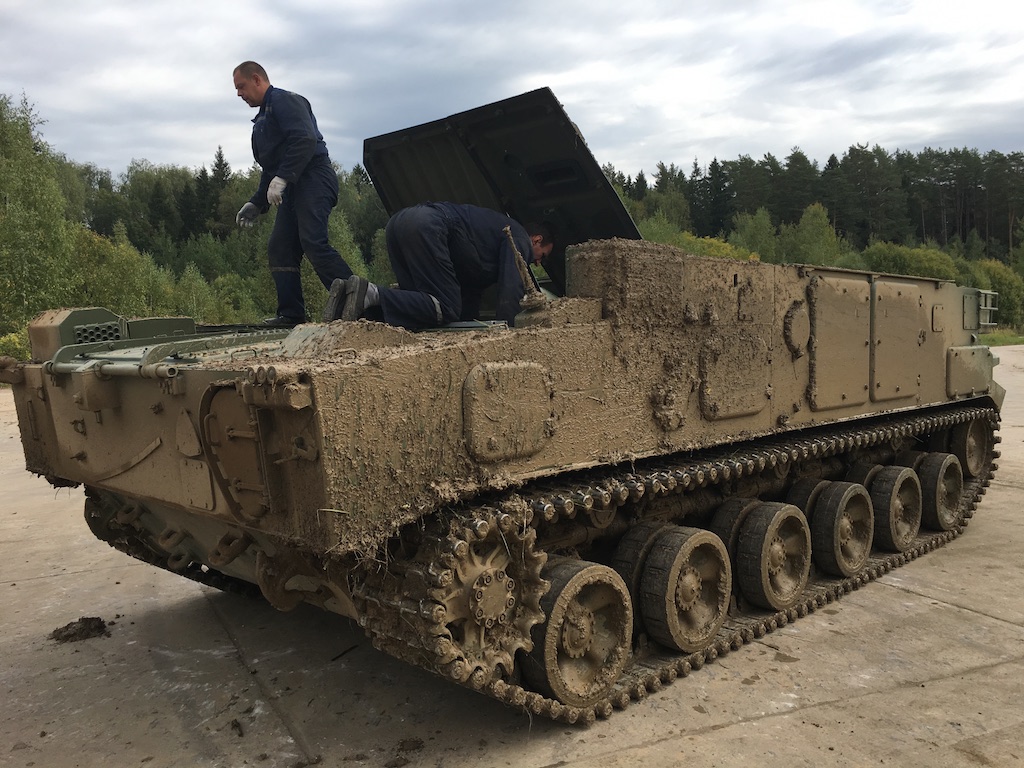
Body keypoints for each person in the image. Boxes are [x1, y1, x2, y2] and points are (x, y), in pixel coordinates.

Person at [232, 61, 354, 327]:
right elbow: (270, 169)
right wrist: (256, 202)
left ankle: (360, 304)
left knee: (313, 241)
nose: (239, 94)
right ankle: (291, 314)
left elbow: (304, 139)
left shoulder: (285, 101)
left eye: (241, 86)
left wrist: (283, 177)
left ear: (257, 79)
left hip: (314, 178)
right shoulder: (262, 120)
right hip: (293, 186)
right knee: (281, 247)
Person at [323, 202, 553, 330]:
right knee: (445, 307)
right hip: (429, 225)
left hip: (398, 223)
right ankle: (371, 293)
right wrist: (510, 332)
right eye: (542, 255)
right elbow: (510, 292)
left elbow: (469, 293)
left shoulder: (485, 244)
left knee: (420, 310)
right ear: (536, 240)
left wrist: (469, 326)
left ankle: (351, 302)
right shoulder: (519, 238)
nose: (537, 263)